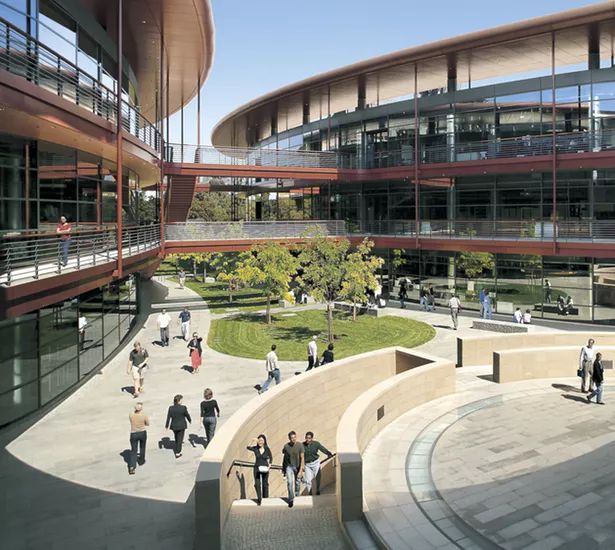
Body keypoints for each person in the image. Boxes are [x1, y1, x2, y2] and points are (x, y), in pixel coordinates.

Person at [303, 431, 333, 496]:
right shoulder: (302, 445)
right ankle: (310, 493)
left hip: (315, 462)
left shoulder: (316, 444)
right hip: (307, 464)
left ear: (312, 439)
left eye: (309, 438)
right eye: (306, 438)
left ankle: (317, 490)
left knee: (318, 477)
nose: (307, 440)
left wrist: (328, 453)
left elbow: (322, 448)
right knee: (308, 480)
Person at [247, 434, 272, 505]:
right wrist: (252, 440)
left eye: (262, 440)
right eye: (259, 440)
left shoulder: (267, 448)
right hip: (257, 468)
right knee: (257, 484)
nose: (260, 442)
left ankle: (266, 498)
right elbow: (248, 447)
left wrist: (269, 465)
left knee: (265, 484)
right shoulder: (255, 448)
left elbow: (271, 457)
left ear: (264, 441)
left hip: (265, 468)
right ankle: (259, 499)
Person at [282, 431, 305, 508]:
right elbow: (284, 456)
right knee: (290, 482)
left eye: (294, 437)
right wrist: (284, 469)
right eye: (292, 438)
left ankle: (297, 494)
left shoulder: (300, 445)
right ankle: (291, 499)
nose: (293, 439)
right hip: (289, 467)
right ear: (289, 438)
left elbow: (302, 458)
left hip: (297, 466)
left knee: (297, 483)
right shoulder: (286, 446)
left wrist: (301, 470)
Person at [165, 394, 191, 458]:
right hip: (182, 425)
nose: (182, 401)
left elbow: (168, 417)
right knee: (180, 439)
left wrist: (167, 426)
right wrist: (189, 420)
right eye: (181, 400)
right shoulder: (183, 408)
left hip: (174, 425)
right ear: (179, 401)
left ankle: (177, 446)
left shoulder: (171, 408)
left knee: (176, 437)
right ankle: (178, 452)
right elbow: (187, 415)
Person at [128, 402, 149, 475]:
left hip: (133, 433)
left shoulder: (131, 414)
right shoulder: (144, 415)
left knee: (134, 450)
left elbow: (131, 421)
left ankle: (132, 467)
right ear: (141, 409)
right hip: (142, 432)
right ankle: (141, 460)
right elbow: (147, 423)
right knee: (142, 447)